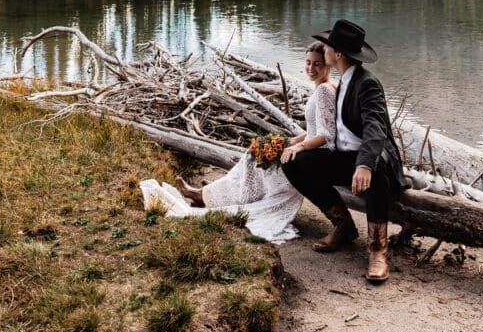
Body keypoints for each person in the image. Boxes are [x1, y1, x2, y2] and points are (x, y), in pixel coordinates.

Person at [139, 43, 337, 244]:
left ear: (328, 65)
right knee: (254, 154)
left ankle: (208, 196)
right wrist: (290, 140)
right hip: (309, 148)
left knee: (257, 163)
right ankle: (209, 194)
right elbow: (316, 128)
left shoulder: (323, 91)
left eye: (317, 64)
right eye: (308, 63)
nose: (311, 69)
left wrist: (297, 147)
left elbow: (326, 135)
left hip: (313, 157)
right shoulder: (322, 89)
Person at [281, 19, 407, 284]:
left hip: (371, 158)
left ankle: (377, 251)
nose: (323, 49)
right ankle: (343, 225)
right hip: (343, 156)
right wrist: (298, 143)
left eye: (327, 46)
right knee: (295, 163)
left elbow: (376, 128)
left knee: (376, 171)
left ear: (337, 54)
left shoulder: (367, 83)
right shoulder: (342, 82)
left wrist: (364, 164)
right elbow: (333, 127)